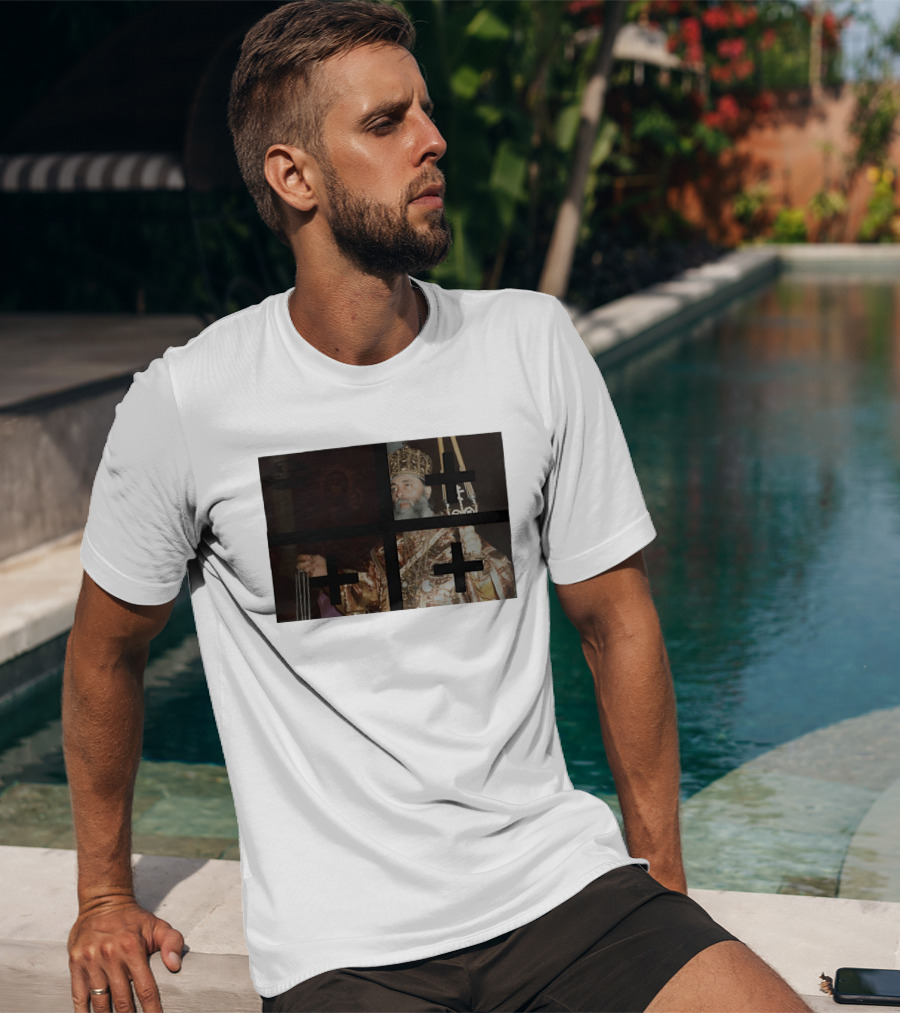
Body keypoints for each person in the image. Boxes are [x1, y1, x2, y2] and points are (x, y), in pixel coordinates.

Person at [63, 2, 811, 1011]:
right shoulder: (190, 401)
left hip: (564, 892)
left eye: (425, 111)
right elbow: (106, 650)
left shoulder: (530, 345)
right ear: (294, 177)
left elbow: (616, 618)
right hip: (348, 949)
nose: (433, 139)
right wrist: (104, 889)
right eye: (387, 123)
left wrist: (662, 888)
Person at [296, 442, 517, 614]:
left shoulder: (457, 534)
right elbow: (366, 594)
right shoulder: (385, 550)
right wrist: (328, 573)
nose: (398, 493)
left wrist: (478, 564)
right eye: (393, 488)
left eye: (407, 485)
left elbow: (502, 588)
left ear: (427, 492)